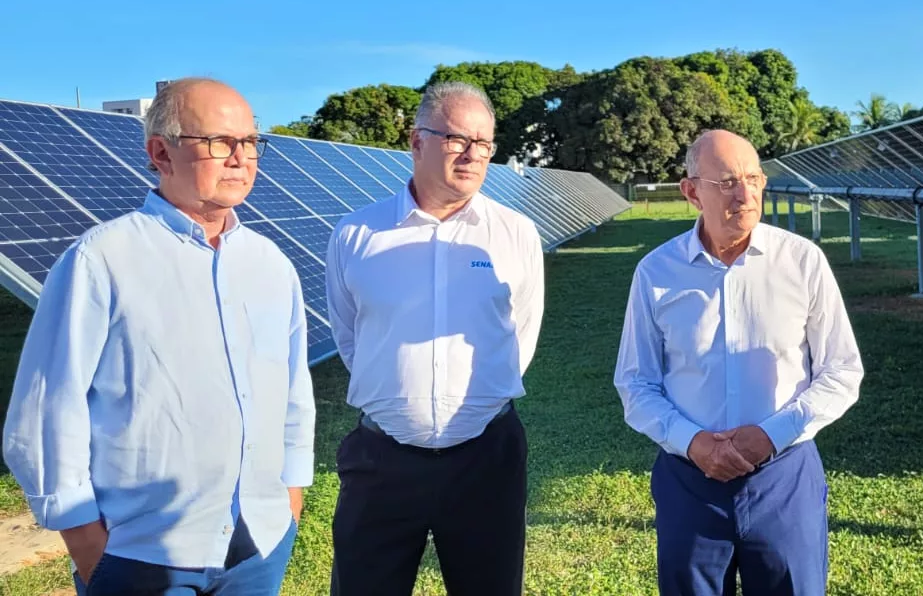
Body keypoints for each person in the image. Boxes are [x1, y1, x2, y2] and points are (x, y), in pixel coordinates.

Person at [2, 78, 314, 595]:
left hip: (260, 542)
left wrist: (291, 496)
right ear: (160, 153)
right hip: (140, 554)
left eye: (251, 142)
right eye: (219, 142)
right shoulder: (101, 260)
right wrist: (87, 545)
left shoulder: (271, 265)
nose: (241, 158)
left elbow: (293, 393)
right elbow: (45, 412)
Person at [614, 129, 864, 596]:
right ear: (692, 191)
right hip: (690, 483)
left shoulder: (802, 262)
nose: (745, 194)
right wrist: (694, 444)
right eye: (726, 181)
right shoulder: (656, 272)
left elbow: (842, 370)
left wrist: (771, 435)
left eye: (753, 178)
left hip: (784, 478)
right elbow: (636, 383)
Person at [324, 81, 545, 596]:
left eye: (484, 144)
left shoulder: (515, 233)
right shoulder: (357, 234)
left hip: (486, 462)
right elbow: (351, 335)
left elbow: (521, 335)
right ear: (416, 141)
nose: (472, 155)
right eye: (455, 139)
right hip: (381, 464)